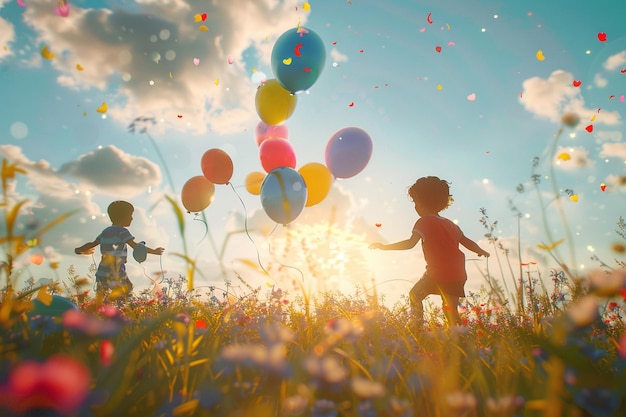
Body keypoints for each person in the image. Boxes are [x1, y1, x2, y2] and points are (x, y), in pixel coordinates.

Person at [369, 176, 489, 327]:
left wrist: (384, 247)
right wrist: (481, 250)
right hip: (457, 274)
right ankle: (461, 338)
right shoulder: (451, 225)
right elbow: (467, 242)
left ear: (420, 202)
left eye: (415, 202)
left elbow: (409, 244)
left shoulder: (424, 221)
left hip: (437, 273)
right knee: (451, 311)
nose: (415, 207)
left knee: (415, 295)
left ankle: (416, 326)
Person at [74, 200, 165, 297]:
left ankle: (103, 309)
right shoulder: (122, 231)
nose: (132, 218)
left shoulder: (105, 231)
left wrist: (79, 249)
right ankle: (117, 308)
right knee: (127, 289)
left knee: (102, 294)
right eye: (130, 215)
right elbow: (136, 247)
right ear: (123, 217)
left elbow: (92, 243)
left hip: (102, 270)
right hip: (116, 269)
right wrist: (154, 251)